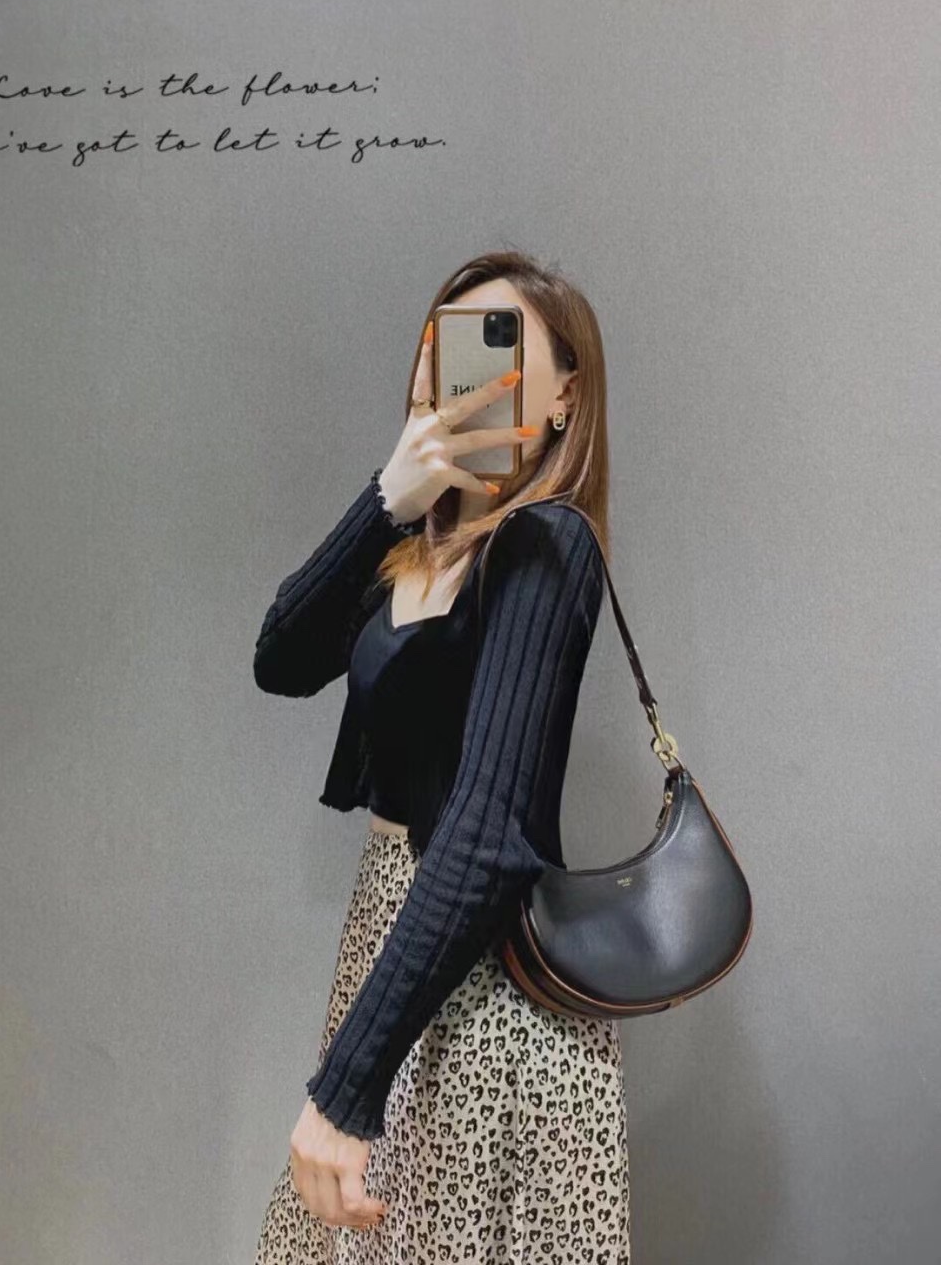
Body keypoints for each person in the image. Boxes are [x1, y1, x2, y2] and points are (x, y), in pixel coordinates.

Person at [253, 250, 631, 1262]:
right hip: (390, 952)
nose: (465, 372)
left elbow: (488, 833)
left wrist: (344, 1090)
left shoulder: (547, 543)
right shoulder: (415, 544)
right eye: (451, 343)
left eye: (502, 347)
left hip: (485, 988)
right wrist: (386, 496)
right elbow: (280, 660)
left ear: (563, 396)